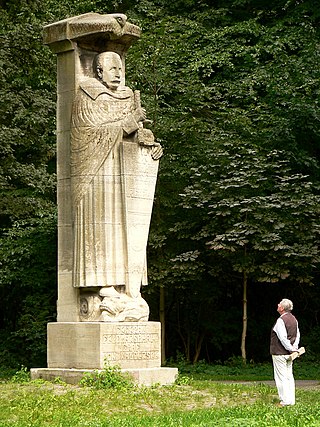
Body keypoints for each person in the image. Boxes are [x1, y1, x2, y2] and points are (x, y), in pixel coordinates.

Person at [70, 51, 162, 320]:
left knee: (126, 229)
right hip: (98, 177)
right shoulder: (86, 97)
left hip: (126, 177)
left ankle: (128, 288)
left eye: (120, 68)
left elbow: (138, 135)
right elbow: (84, 136)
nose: (118, 73)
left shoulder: (127, 97)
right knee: (104, 227)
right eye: (112, 68)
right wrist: (126, 123)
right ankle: (105, 286)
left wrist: (150, 147)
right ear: (98, 72)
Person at [270, 298, 300, 406]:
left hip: (279, 353)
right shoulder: (294, 319)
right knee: (289, 377)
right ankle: (291, 401)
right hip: (289, 354)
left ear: (282, 308)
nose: (277, 305)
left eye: (279, 304)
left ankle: (284, 401)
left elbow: (282, 338)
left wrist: (291, 348)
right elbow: (297, 336)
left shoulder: (280, 321)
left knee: (281, 378)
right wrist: (294, 348)